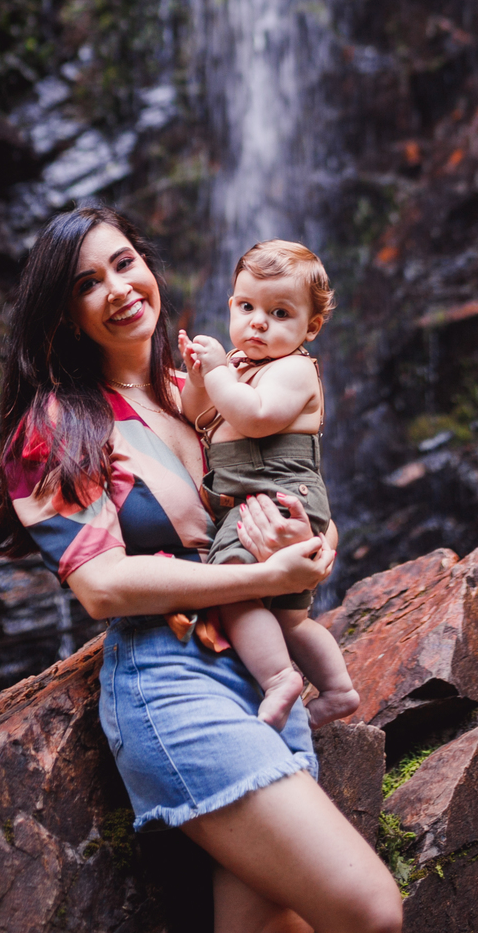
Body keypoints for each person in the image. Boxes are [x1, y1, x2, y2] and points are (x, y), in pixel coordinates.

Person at [0, 201, 402, 933]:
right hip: (172, 682)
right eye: (85, 284)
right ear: (61, 314)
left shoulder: (203, 385)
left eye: (123, 262)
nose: (116, 288)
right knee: (369, 908)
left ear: (147, 266)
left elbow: (280, 490)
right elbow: (103, 586)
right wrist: (261, 579)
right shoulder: (56, 425)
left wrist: (305, 546)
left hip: (264, 673)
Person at [178, 239, 359, 734]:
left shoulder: (295, 369)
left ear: (311, 327)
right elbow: (200, 417)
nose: (258, 322)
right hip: (266, 502)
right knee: (289, 619)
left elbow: (255, 419)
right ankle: (339, 690)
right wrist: (200, 378)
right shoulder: (241, 366)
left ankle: (281, 679)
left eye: (279, 312)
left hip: (276, 499)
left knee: (233, 589)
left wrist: (217, 373)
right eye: (246, 306)